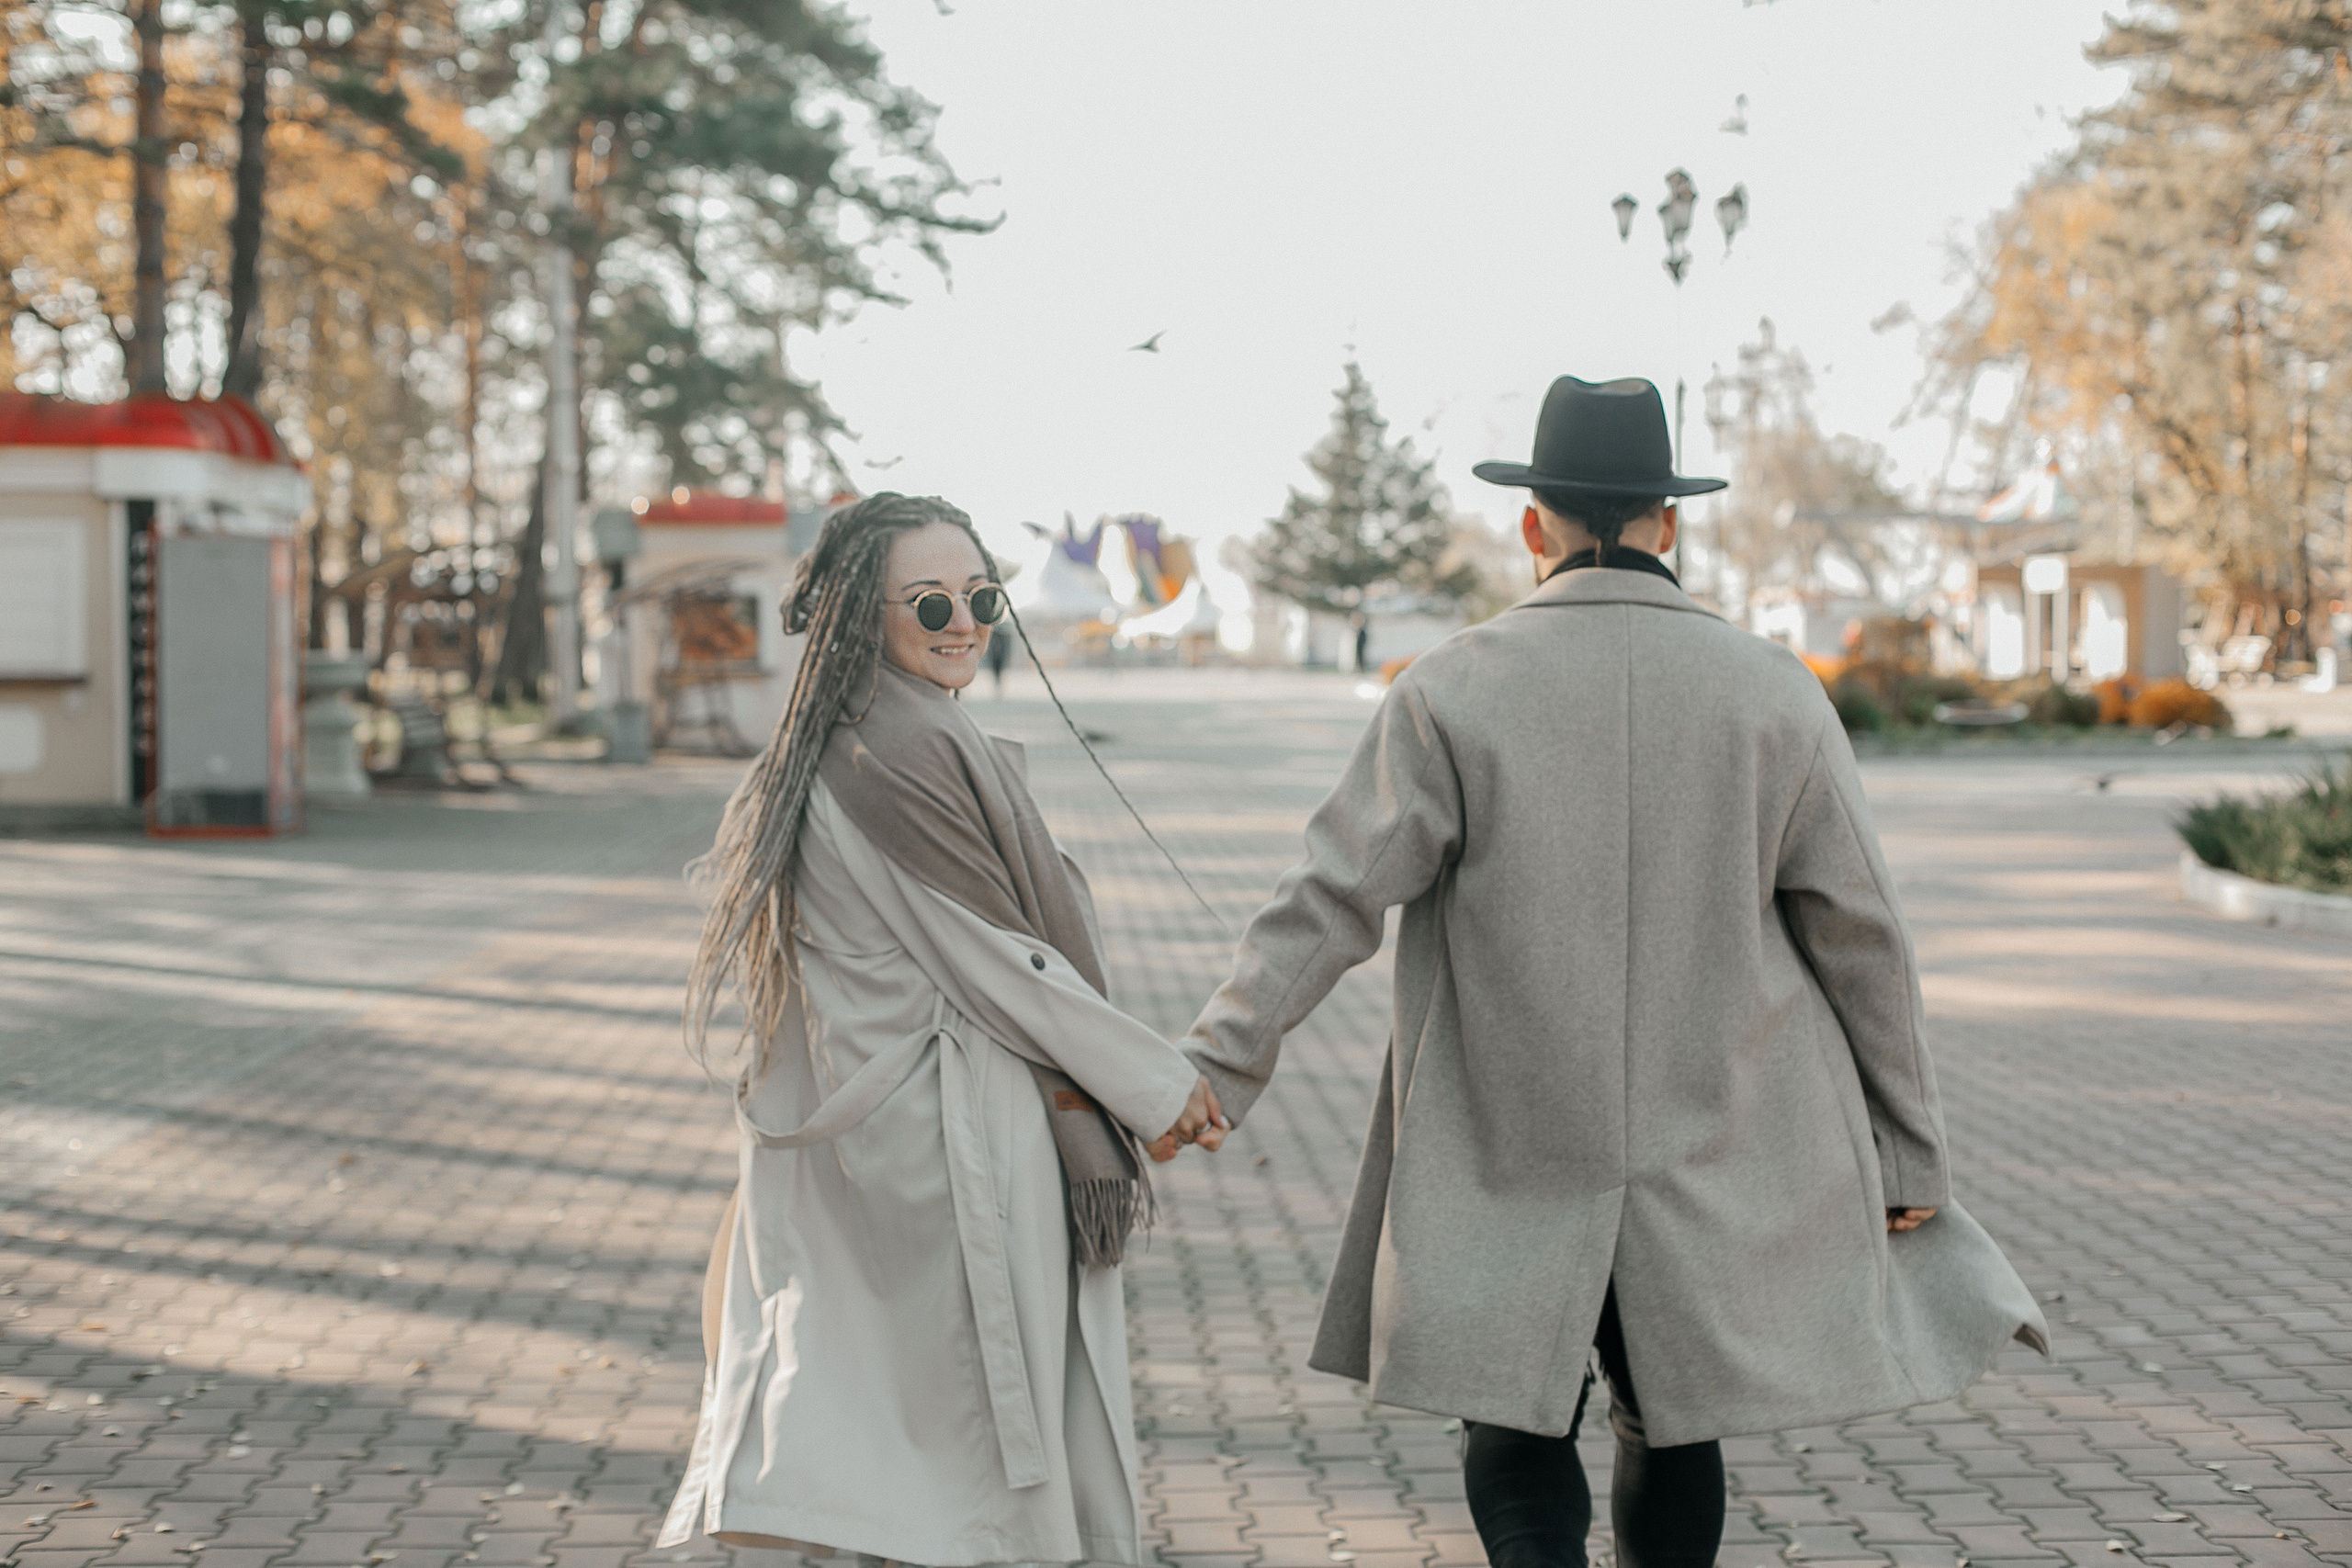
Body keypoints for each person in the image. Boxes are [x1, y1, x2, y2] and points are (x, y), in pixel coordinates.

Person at [1166, 378, 2047, 1568]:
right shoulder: (1774, 692)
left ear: (1532, 523)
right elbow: (1863, 937)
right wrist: (1910, 1151)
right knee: (1674, 1414)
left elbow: (1327, 894)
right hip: (1715, 1131)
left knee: (1512, 1415)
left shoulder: (1449, 689)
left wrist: (1218, 1059)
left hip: (1507, 1126)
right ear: (1668, 520)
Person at [659, 493, 1224, 1568]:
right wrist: (1155, 1085)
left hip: (883, 1144)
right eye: (930, 602)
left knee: (900, 1456)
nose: (963, 621)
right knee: (961, 1476)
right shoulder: (893, 753)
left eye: (980, 596)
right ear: (857, 616)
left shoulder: (860, 733)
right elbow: (999, 962)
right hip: (950, 1146)